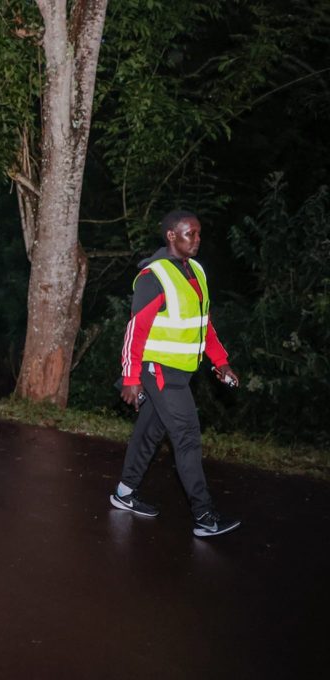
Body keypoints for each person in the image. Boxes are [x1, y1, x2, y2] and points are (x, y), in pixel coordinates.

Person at [111, 210, 242, 537]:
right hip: (159, 372)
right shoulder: (154, 276)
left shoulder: (195, 270)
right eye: (189, 234)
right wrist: (130, 378)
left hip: (181, 372)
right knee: (186, 439)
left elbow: (203, 324)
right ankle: (204, 517)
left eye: (198, 234)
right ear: (171, 235)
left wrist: (220, 361)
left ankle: (125, 493)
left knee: (150, 432)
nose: (197, 240)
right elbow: (135, 332)